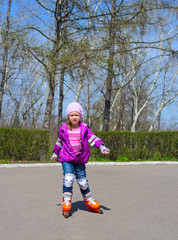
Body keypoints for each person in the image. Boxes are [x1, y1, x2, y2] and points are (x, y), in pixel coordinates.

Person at [51, 102, 110, 218]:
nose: (74, 117)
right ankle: (66, 201)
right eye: (72, 115)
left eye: (76, 115)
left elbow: (93, 137)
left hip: (80, 159)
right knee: (68, 179)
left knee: (82, 182)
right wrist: (54, 153)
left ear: (80, 116)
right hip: (67, 158)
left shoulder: (84, 128)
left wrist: (102, 146)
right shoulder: (63, 129)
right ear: (68, 116)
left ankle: (89, 200)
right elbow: (59, 142)